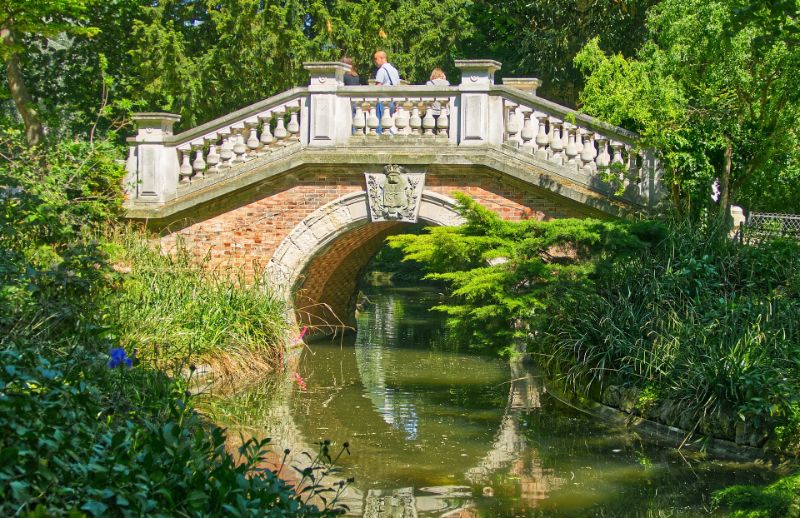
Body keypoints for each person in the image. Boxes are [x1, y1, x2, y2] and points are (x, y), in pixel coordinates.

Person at [373, 50, 400, 134]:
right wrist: (397, 103)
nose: (375, 62)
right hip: (392, 101)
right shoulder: (394, 70)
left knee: (380, 127)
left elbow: (377, 88)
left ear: (382, 58)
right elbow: (397, 88)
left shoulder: (381, 70)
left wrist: (373, 102)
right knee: (387, 125)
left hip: (382, 101)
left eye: (375, 59)